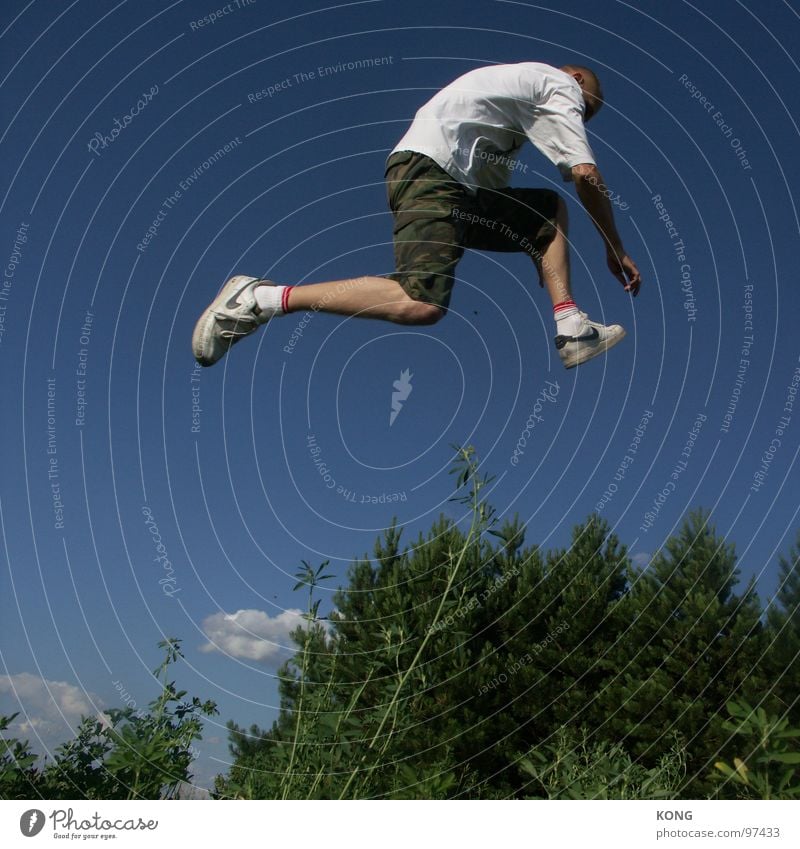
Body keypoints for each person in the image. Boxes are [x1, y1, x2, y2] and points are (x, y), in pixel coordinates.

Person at [192, 61, 641, 369]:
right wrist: (614, 246)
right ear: (577, 79)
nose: (579, 118)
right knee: (419, 302)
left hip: (452, 183)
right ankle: (259, 299)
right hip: (433, 172)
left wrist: (535, 243)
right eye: (586, 109)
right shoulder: (556, 85)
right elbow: (585, 174)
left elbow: (507, 205)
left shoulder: (506, 107)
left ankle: (571, 326)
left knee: (546, 211)